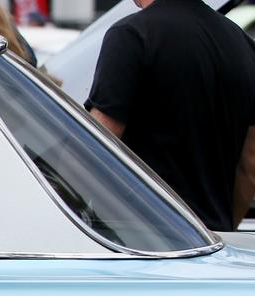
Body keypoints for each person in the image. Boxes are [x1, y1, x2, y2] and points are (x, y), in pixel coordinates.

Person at [86, 0, 255, 232]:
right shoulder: (243, 44)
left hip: (141, 238)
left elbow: (96, 145)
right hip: (213, 243)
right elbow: (250, 163)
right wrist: (219, 232)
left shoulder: (131, 34)